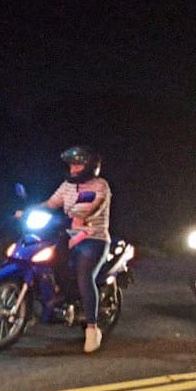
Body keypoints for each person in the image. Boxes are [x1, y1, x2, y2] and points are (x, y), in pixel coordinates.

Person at [45, 144, 111, 354]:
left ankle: (92, 329)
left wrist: (82, 216)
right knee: (50, 260)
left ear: (90, 166)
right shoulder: (67, 186)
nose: (73, 169)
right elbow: (50, 204)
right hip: (70, 235)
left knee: (85, 276)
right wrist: (27, 210)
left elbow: (95, 205)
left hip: (94, 238)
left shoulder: (100, 185)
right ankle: (64, 295)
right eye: (71, 165)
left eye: (78, 165)